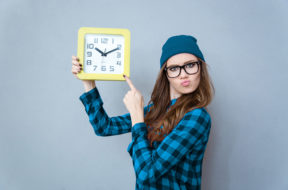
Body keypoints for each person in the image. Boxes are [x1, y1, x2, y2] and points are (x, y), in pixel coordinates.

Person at [71, 35, 215, 190]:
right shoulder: (156, 110)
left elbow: (147, 174)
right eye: (174, 68)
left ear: (200, 68)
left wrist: (137, 118)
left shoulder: (197, 116)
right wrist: (88, 82)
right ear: (166, 74)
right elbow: (104, 127)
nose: (183, 74)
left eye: (190, 65)